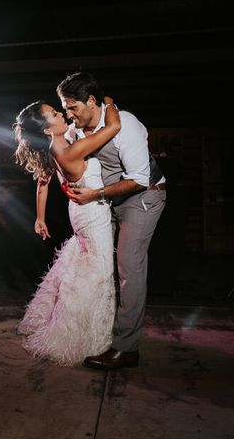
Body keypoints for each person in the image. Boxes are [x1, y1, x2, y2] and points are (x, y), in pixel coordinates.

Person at [57, 71, 166, 371]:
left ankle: (126, 349)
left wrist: (95, 193)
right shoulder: (79, 127)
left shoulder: (124, 124)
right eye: (64, 108)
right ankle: (107, 334)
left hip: (143, 198)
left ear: (90, 101)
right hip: (110, 201)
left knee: (129, 267)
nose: (69, 114)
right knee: (106, 267)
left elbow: (140, 179)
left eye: (72, 107)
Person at [12, 96, 121, 366]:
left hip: (82, 213)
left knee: (86, 266)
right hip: (92, 214)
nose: (61, 114)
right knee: (99, 272)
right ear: (47, 129)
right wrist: (108, 103)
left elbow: (42, 183)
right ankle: (83, 336)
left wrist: (40, 218)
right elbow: (113, 128)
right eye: (54, 115)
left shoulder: (55, 148)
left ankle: (88, 329)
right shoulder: (69, 151)